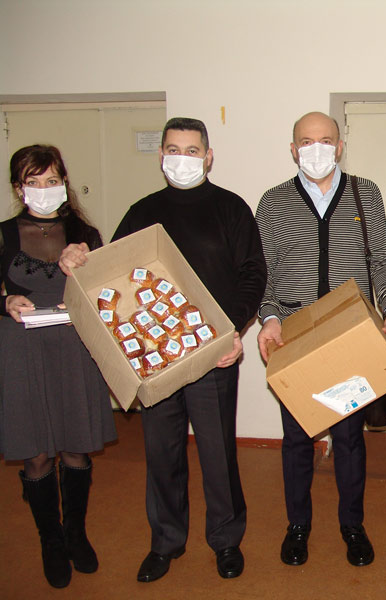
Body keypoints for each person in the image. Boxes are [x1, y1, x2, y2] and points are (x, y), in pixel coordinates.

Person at [60, 117, 267, 583]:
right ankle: (166, 541)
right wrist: (77, 257)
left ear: (208, 157)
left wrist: (230, 330)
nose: (182, 158)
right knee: (161, 452)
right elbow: (111, 270)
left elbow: (253, 273)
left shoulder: (231, 208)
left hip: (213, 353)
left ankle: (226, 539)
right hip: (154, 356)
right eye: (173, 149)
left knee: (218, 454)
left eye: (192, 151)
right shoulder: (143, 212)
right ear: (161, 156)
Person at [255, 111, 386, 568]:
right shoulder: (273, 202)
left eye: (325, 140)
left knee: (349, 438)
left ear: (339, 147)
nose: (315, 149)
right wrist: (269, 319)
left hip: (350, 336)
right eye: (306, 141)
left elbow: (382, 260)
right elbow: (263, 272)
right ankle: (297, 526)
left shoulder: (365, 193)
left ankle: (352, 525)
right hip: (294, 336)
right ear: (293, 149)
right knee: (297, 438)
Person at [1, 145, 116, 588]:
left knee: (75, 446)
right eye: (33, 182)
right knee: (36, 452)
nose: (44, 189)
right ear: (19, 188)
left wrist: (85, 272)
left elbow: (109, 291)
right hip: (22, 351)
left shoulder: (85, 233)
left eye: (51, 180)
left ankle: (75, 534)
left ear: (64, 183)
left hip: (74, 349)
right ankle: (50, 540)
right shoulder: (4, 234)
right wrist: (5, 301)